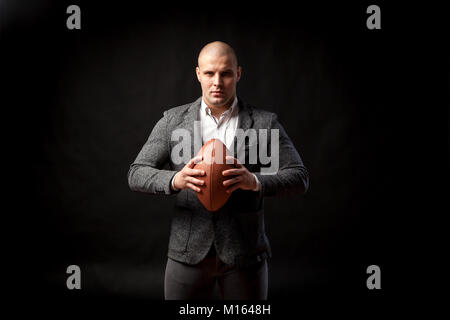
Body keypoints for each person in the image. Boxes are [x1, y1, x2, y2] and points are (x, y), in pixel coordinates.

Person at [127, 41, 309, 300]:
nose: (217, 82)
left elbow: (300, 177)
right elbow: (136, 172)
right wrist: (175, 179)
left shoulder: (265, 123)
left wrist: (254, 181)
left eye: (225, 73)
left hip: (245, 255)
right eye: (210, 73)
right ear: (198, 74)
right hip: (187, 254)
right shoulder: (173, 121)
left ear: (238, 74)